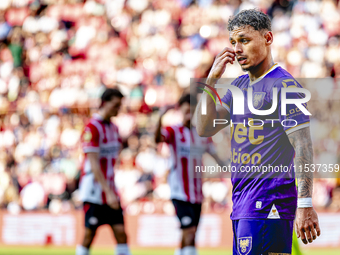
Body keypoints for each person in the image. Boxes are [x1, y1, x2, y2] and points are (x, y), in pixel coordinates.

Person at [196, 9, 321, 255]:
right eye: (233, 42)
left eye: (244, 40)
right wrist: (211, 81)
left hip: (268, 202)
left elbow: (303, 145)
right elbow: (204, 127)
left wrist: (305, 203)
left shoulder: (284, 86)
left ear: (268, 38)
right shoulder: (239, 86)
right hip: (243, 202)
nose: (237, 49)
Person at [155, 94, 225, 255]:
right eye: (187, 110)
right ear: (180, 110)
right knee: (190, 232)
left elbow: (216, 156)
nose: (190, 114)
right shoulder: (173, 130)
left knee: (190, 236)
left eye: (193, 110)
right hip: (180, 192)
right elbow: (158, 138)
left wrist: (231, 168)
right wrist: (160, 117)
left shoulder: (201, 134)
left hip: (197, 194)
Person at [76, 88, 131, 255]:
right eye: (115, 105)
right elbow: (94, 164)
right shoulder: (91, 128)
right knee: (89, 234)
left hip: (110, 188)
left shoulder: (114, 128)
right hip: (94, 190)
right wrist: (108, 192)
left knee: (121, 233)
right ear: (105, 103)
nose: (118, 109)